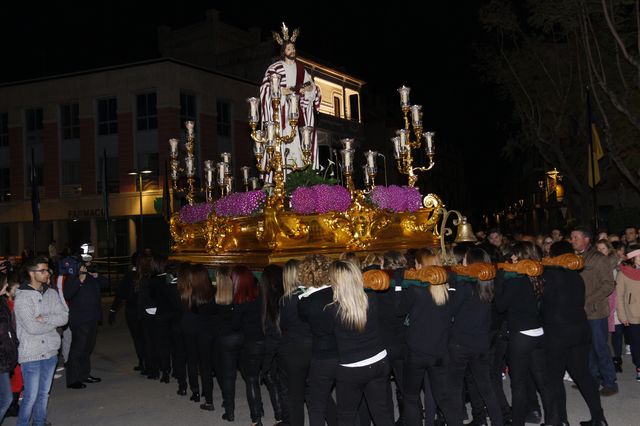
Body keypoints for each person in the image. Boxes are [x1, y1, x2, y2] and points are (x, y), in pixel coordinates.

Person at [543, 241, 608, 426]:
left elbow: (545, 305)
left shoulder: (549, 275)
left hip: (558, 333)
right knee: (583, 375)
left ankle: (561, 420)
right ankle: (599, 418)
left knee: (554, 378)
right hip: (580, 330)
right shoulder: (576, 276)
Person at [327, 260, 393, 426]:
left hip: (352, 368)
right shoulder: (372, 298)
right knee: (382, 413)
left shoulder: (333, 309)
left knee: (346, 416)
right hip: (379, 361)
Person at [260, 22, 321, 170]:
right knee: (282, 145)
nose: (292, 50)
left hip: (298, 113)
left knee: (300, 144)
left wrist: (309, 90)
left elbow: (313, 88)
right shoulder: (275, 68)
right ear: (283, 51)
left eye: (293, 48)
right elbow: (266, 87)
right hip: (281, 115)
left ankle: (301, 175)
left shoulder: (301, 69)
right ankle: (281, 175)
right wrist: (282, 92)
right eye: (289, 48)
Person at [14, 256, 68, 426]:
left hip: (51, 352)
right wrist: (51, 323)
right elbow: (31, 328)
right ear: (31, 273)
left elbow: (64, 317)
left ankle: (39, 422)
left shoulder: (51, 293)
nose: (47, 273)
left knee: (44, 393)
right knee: (30, 395)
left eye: (47, 270)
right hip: (31, 353)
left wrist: (43, 318)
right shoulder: (22, 297)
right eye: (43, 271)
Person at [570, 227, 618, 396]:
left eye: (576, 237)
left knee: (600, 347)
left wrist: (586, 300)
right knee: (586, 348)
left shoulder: (598, 259)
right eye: (572, 237)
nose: (573, 240)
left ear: (587, 239)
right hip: (579, 312)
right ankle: (592, 379)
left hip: (595, 311)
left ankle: (610, 382)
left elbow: (608, 285)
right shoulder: (572, 258)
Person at [64, 260, 105, 389]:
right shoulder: (73, 278)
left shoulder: (93, 277)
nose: (87, 267)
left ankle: (84, 375)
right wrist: (80, 280)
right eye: (84, 265)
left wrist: (96, 275)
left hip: (93, 318)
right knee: (78, 349)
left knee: (87, 348)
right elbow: (68, 293)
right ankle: (72, 380)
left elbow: (105, 284)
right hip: (80, 320)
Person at [615, 245, 640, 382]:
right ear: (632, 258)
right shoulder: (623, 273)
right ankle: (639, 367)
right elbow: (619, 296)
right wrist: (622, 316)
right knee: (637, 343)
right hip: (633, 314)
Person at [0, 273, 19, 422]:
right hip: (2, 358)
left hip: (4, 358)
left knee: (5, 397)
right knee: (6, 398)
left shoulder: (3, 303)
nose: (6, 286)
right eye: (5, 284)